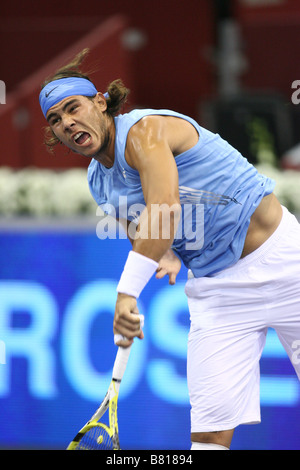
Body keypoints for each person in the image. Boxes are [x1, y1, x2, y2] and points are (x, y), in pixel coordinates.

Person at [39, 49, 300, 450]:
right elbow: (143, 229)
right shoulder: (99, 181)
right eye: (55, 120)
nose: (67, 123)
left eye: (72, 108)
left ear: (100, 102)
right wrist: (164, 254)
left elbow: (164, 211)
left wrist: (127, 293)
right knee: (209, 437)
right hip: (219, 292)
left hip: (287, 266)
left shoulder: (146, 131)